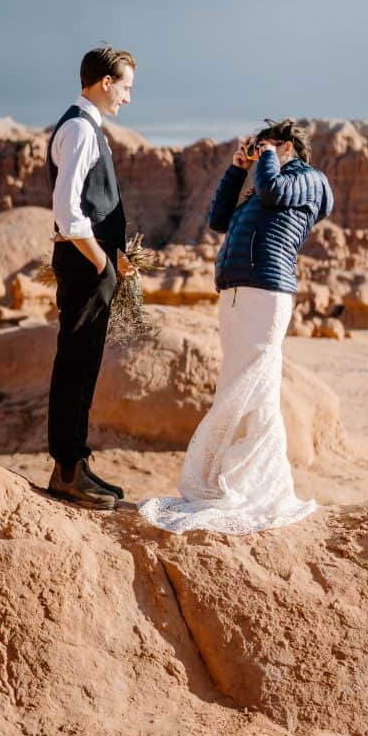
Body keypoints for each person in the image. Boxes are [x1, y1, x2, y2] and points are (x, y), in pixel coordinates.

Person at [139, 118, 334, 535]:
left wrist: (267, 157)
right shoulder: (261, 184)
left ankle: (258, 486)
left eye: (267, 145)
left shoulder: (309, 179)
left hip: (266, 290)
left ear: (287, 146)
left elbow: (274, 190)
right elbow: (218, 219)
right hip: (237, 290)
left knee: (255, 387)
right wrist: (235, 168)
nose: (260, 152)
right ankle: (236, 479)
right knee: (238, 386)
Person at [46, 45, 137, 510]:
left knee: (84, 364)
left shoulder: (87, 127)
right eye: (125, 87)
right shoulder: (81, 129)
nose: (127, 97)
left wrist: (114, 259)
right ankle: (66, 472)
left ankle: (75, 464)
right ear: (105, 83)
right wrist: (102, 262)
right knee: (75, 364)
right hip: (85, 265)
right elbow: (67, 212)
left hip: (93, 264)